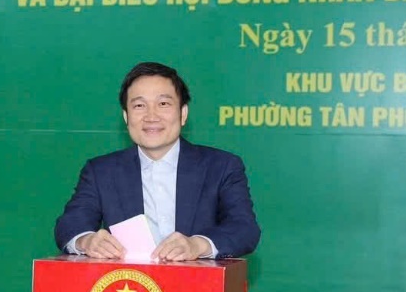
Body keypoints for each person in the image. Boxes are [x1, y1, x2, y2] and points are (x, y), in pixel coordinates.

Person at [55, 61, 260, 261]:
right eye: (139, 105)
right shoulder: (101, 171)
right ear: (126, 116)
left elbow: (244, 229)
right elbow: (69, 225)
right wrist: (87, 241)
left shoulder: (221, 167)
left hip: (197, 283)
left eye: (163, 104)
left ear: (183, 113)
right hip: (129, 283)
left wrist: (197, 245)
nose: (151, 116)